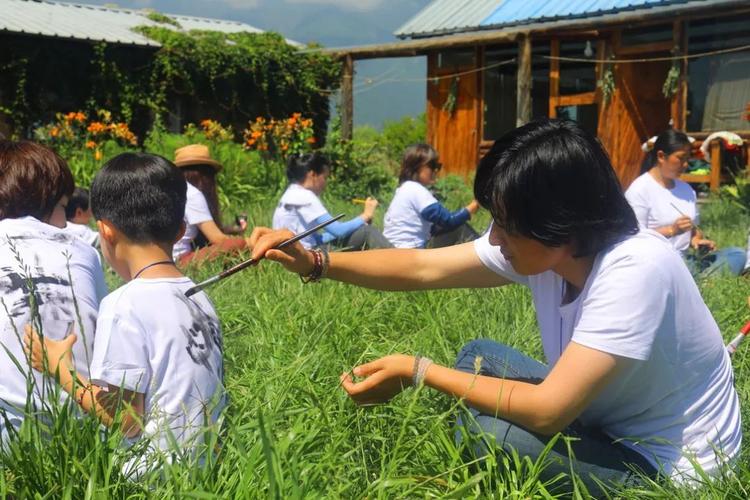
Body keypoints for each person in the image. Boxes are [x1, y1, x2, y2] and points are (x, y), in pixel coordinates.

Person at [249, 119, 741, 495]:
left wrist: (417, 370)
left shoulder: (637, 269)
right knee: (480, 354)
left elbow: (548, 411)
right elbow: (423, 268)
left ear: (559, 224)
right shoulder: (556, 250)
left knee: (492, 434)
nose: (495, 238)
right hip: (603, 416)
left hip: (667, 469)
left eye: (506, 223)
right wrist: (313, 260)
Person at [24, 152, 225, 475]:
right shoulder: (200, 296)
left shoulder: (124, 304)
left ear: (105, 232)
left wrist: (60, 369)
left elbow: (126, 420)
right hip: (209, 471)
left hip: (151, 482)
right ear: (180, 231)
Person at [0, 141, 106, 442]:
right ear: (46, 202)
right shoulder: (85, 251)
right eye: (62, 208)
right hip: (88, 426)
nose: (64, 223)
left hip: (9, 431)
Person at [625, 129, 746, 276]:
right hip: (658, 260)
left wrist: (696, 240)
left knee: (737, 254)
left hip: (686, 258)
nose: (685, 165)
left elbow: (694, 229)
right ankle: (700, 280)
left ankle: (700, 280)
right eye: (681, 158)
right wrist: (672, 230)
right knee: (680, 266)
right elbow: (634, 238)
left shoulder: (686, 189)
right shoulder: (639, 190)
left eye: (688, 159)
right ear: (661, 156)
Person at [272, 152, 391, 250]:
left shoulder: (291, 193)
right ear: (313, 175)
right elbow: (338, 231)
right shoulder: (305, 197)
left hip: (298, 251)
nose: (326, 183)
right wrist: (365, 215)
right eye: (325, 177)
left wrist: (358, 224)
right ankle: (400, 262)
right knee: (366, 233)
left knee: (361, 231)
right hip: (307, 254)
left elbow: (318, 238)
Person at [384, 144, 479, 248]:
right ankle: (487, 257)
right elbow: (449, 221)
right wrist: (473, 207)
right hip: (411, 251)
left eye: (437, 166)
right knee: (460, 227)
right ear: (416, 167)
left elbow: (434, 226)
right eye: (433, 166)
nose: (436, 171)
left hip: (394, 250)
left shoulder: (404, 189)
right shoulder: (416, 190)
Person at [173, 144, 252, 265]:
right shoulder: (192, 194)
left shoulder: (174, 190)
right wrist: (251, 243)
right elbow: (218, 240)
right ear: (205, 176)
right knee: (239, 244)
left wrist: (232, 229)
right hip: (179, 261)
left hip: (162, 259)